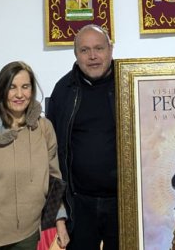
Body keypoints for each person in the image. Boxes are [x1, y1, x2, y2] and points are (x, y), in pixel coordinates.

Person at [0, 61, 68, 250]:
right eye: (12, 87)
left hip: (28, 235)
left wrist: (60, 221)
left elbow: (53, 179)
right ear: (1, 91)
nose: (19, 94)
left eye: (25, 87)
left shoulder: (44, 129)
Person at [46, 24, 119, 250]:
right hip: (78, 204)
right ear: (76, 54)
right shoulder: (63, 90)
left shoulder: (128, 83)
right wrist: (55, 215)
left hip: (124, 202)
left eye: (99, 48)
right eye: (85, 50)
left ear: (111, 49)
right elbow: (50, 155)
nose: (93, 56)